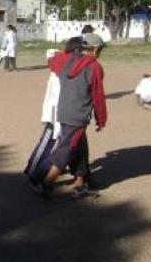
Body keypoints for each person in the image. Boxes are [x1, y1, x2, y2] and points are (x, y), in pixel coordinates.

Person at [31, 36, 107, 198]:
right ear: (95, 49)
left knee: (80, 147)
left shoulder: (66, 60)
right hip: (78, 116)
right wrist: (101, 119)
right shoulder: (94, 67)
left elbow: (52, 59)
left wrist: (65, 52)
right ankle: (46, 184)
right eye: (99, 51)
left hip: (64, 111)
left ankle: (80, 183)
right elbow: (98, 96)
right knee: (66, 150)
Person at [24, 37, 82, 184]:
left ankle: (52, 168)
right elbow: (56, 93)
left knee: (61, 143)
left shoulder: (66, 63)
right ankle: (32, 169)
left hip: (64, 111)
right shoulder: (63, 65)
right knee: (47, 141)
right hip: (55, 111)